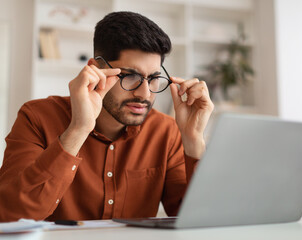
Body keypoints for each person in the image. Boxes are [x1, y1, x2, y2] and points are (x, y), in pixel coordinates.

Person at [0, 11, 213, 222]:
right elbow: (11, 216)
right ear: (96, 69)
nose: (144, 94)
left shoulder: (167, 131)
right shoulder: (37, 117)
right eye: (130, 76)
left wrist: (194, 139)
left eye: (154, 78)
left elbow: (202, 220)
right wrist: (78, 129)